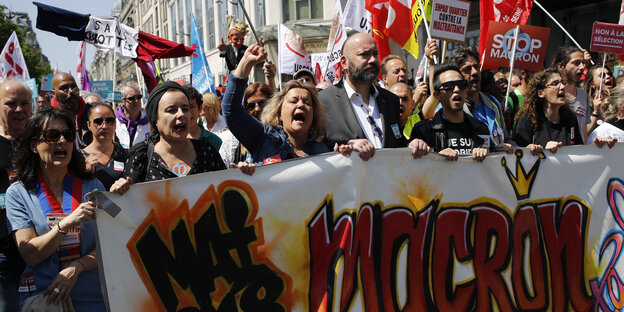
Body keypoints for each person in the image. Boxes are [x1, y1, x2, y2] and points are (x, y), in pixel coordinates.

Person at [6, 108, 105, 311]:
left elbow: (112, 242)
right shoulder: (18, 193)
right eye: (52, 135)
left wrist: (78, 266)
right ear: (34, 145)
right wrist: (66, 224)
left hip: (92, 295)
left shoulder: (93, 186)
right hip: (45, 297)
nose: (62, 141)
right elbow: (30, 254)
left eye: (67, 136)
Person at [223, 43, 352, 165]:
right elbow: (231, 111)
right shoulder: (263, 139)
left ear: (313, 115)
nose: (301, 105)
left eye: (307, 103)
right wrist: (246, 62)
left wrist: (343, 158)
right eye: (294, 101)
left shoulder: (323, 152)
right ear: (279, 113)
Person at [117, 81, 226, 185]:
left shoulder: (207, 151)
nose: (181, 114)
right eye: (171, 110)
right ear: (155, 119)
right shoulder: (140, 156)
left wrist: (240, 174)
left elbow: (225, 190)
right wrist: (119, 192)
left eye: (185, 108)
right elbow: (128, 201)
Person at [319, 33, 405, 161]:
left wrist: (412, 145)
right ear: (344, 62)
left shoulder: (391, 100)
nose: (372, 60)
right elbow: (314, 148)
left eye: (375, 54)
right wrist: (347, 145)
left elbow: (398, 144)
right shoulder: (323, 101)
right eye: (364, 54)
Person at [409, 63, 490, 162]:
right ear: (437, 95)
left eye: (461, 85)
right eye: (448, 87)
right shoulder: (423, 131)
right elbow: (411, 166)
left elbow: (492, 165)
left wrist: (501, 150)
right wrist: (437, 157)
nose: (457, 90)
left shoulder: (481, 128)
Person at [0, 81, 31, 312]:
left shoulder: (42, 142)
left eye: (24, 103)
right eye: (11, 104)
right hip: (4, 253)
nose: (19, 109)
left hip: (41, 248)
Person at [446, 47, 512, 152]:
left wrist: (525, 150)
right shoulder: (448, 106)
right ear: (456, 75)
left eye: (476, 67)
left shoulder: (493, 103)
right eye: (467, 69)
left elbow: (507, 139)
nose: (475, 72)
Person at [513, 68, 584, 154]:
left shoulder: (570, 118)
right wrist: (541, 151)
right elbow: (518, 154)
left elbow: (579, 151)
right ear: (541, 93)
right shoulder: (528, 118)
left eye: (562, 83)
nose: (562, 87)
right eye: (555, 83)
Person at [80, 104, 127, 191]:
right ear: (89, 125)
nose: (104, 126)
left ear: (115, 124)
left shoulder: (126, 155)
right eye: (98, 122)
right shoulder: (79, 157)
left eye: (110, 121)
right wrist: (84, 173)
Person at [552, 46, 592, 142]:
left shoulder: (583, 95)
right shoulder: (553, 95)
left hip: (579, 154)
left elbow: (584, 129)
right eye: (576, 63)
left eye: (583, 62)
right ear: (561, 66)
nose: (582, 67)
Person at [50, 73, 90, 148]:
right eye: (64, 89)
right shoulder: (46, 118)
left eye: (74, 87)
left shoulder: (92, 113)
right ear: (54, 93)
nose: (71, 91)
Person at [200, 93, 239, 167]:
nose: (199, 107)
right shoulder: (199, 123)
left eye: (201, 104)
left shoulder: (227, 123)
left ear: (210, 106)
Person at [181, 85, 222, 150]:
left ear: (200, 108)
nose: (188, 112)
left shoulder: (215, 142)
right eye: (184, 107)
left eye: (191, 106)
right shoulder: (172, 140)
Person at [115, 81, 150, 150]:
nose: (136, 101)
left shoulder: (150, 120)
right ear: (122, 101)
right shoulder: (113, 121)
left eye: (138, 97)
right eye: (131, 98)